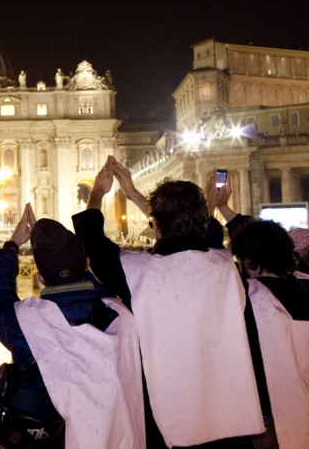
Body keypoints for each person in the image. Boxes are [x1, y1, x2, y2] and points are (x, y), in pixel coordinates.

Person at [74, 157, 264, 448]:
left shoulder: (136, 271)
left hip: (169, 420)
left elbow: (92, 240)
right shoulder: (224, 265)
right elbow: (206, 233)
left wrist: (98, 193)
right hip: (231, 417)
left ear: (156, 225)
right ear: (203, 220)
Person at [0, 203, 145, 448]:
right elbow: (99, 287)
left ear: (40, 278)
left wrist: (11, 246)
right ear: (87, 264)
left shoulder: (27, 323)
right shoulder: (120, 314)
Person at [216, 190, 309, 447]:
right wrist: (226, 211)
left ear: (249, 263)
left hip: (265, 425)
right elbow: (262, 242)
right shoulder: (304, 287)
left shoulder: (246, 300)